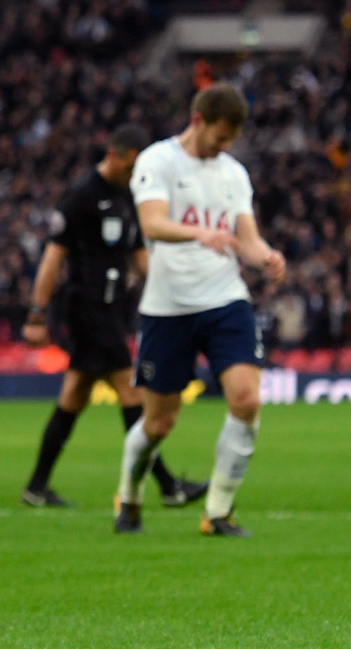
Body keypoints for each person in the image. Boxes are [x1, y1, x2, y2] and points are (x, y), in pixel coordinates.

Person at [115, 84, 284, 538]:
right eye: (219, 138)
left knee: (246, 400)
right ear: (197, 121)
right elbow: (151, 223)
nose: (224, 148)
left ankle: (218, 512)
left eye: (230, 141)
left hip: (225, 299)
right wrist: (198, 234)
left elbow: (245, 238)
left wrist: (265, 255)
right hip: (168, 307)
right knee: (158, 423)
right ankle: (129, 496)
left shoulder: (233, 173)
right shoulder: (157, 161)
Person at [20, 125, 205, 510]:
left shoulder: (129, 196)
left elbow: (140, 257)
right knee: (131, 392)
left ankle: (36, 487)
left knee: (73, 396)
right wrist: (37, 314)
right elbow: (54, 257)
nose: (134, 174)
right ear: (116, 154)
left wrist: (178, 292)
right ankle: (168, 486)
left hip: (112, 310)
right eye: (132, 165)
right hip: (87, 309)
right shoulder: (82, 195)